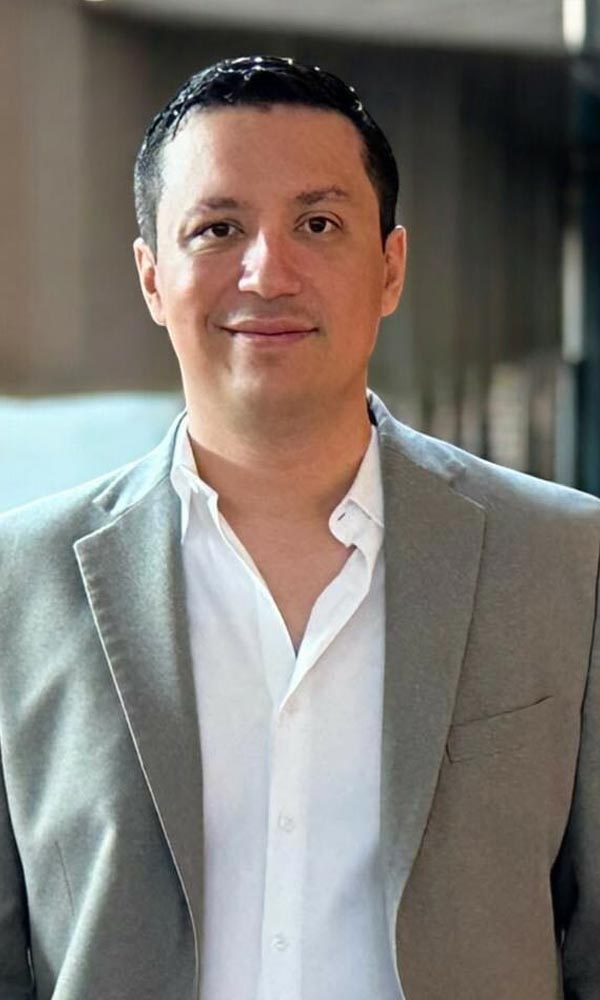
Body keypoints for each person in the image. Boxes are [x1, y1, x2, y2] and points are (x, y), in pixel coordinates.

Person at [0, 54, 598, 1000]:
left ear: (390, 266)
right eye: (218, 228)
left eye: (318, 224)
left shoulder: (565, 559)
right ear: (153, 278)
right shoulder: (16, 584)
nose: (267, 270)